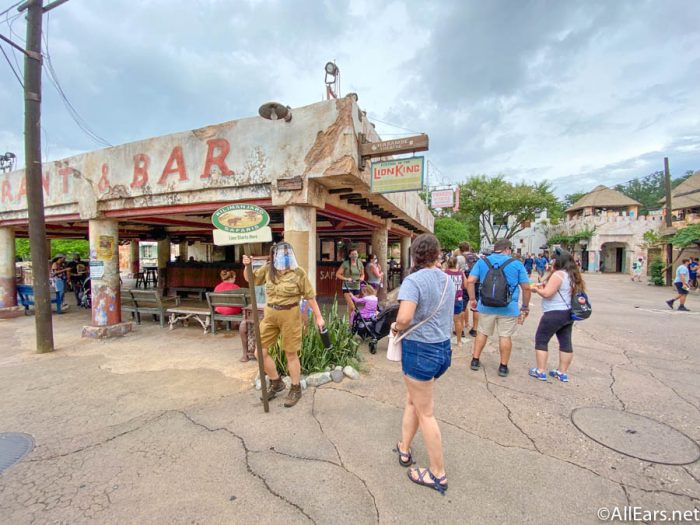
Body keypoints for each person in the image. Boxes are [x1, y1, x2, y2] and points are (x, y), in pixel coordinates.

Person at [391, 233, 455, 495]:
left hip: (420, 351)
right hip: (442, 350)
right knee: (413, 401)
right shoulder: (448, 280)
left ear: (414, 254)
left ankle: (438, 474)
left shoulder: (413, 281)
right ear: (437, 254)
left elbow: (405, 317)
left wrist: (395, 326)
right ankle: (404, 448)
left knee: (426, 413)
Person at [243, 243, 325, 408]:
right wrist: (247, 265)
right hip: (270, 315)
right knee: (260, 352)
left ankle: (295, 388)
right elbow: (250, 279)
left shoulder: (298, 272)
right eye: (281, 254)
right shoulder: (268, 269)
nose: (284, 257)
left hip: (290, 315)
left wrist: (319, 317)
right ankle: (276, 382)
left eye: (287, 253)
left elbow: (310, 296)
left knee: (290, 353)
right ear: (273, 256)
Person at [467, 239, 531, 377]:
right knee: (505, 336)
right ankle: (503, 366)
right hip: (509, 307)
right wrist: (525, 307)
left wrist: (473, 299)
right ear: (507, 249)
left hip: (485, 305)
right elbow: (526, 288)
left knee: (482, 333)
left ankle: (475, 360)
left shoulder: (482, 261)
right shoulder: (516, 264)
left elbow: (470, 281)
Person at [529, 248, 585, 382]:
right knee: (565, 342)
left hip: (554, 312)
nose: (552, 261)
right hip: (568, 313)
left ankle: (541, 370)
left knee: (541, 339)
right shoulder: (572, 275)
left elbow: (548, 293)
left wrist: (536, 289)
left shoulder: (558, 274)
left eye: (554, 259)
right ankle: (562, 372)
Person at [213, 270, 250, 362]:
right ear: (231, 278)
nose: (235, 280)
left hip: (219, 309)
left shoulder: (217, 287)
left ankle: (217, 326)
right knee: (241, 307)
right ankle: (239, 323)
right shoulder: (236, 287)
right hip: (232, 310)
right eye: (234, 278)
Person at [444, 256, 468, 350]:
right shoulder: (461, 273)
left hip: (447, 300)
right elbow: (465, 285)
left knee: (446, 321)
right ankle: (459, 341)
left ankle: (446, 340)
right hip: (458, 299)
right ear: (456, 264)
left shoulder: (445, 273)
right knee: (458, 321)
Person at [336, 248, 365, 322]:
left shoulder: (360, 263)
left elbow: (362, 274)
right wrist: (346, 278)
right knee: (352, 305)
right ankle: (352, 321)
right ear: (349, 255)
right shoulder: (345, 263)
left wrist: (361, 278)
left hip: (356, 287)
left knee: (352, 307)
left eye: (355, 254)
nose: (354, 256)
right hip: (347, 287)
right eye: (352, 254)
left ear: (358, 255)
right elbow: (338, 274)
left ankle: (351, 323)